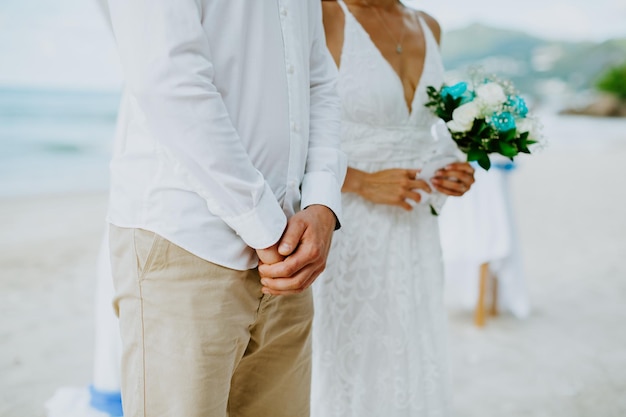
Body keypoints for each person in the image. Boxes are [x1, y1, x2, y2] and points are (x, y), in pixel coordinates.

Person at [102, 1, 347, 416]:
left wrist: (322, 202)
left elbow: (319, 82)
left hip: (289, 254)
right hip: (186, 244)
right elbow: (168, 81)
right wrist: (267, 229)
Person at [311, 1, 475, 416]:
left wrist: (452, 170)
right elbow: (289, 131)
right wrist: (361, 181)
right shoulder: (325, 13)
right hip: (344, 220)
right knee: (344, 353)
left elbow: (424, 135)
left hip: (415, 226)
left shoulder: (429, 26)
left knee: (411, 345)